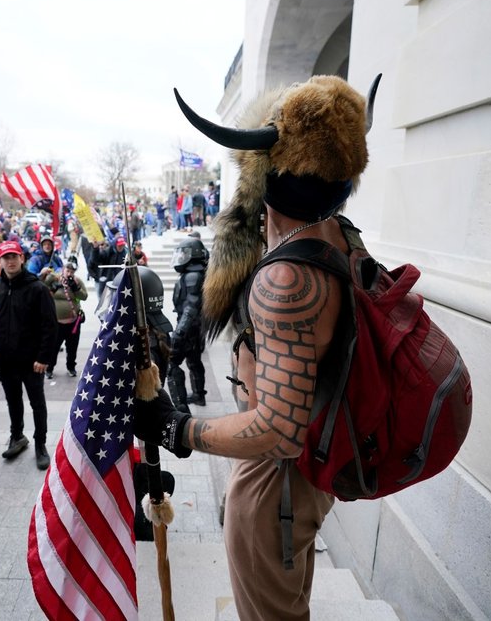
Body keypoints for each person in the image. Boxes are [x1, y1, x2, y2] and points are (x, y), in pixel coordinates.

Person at [136, 74, 376, 620]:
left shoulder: (287, 280)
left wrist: (175, 427)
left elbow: (278, 432)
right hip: (302, 477)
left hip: (276, 484)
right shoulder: (340, 233)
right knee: (286, 603)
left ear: (264, 174)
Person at [0, 240, 58, 470]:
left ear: (22, 259)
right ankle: (17, 436)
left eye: (14, 256)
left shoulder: (36, 288)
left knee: (37, 403)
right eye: (5, 258)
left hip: (32, 361)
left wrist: (44, 358)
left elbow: (49, 325)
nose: (10, 261)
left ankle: (40, 444)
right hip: (6, 360)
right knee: (13, 401)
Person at [168, 236, 209, 407]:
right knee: (194, 361)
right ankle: (199, 396)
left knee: (172, 364)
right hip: (195, 328)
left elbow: (191, 307)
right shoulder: (196, 273)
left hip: (189, 328)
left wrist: (180, 332)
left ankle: (182, 409)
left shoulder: (192, 276)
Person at [41, 256, 88, 379]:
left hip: (73, 322)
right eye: (67, 270)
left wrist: (75, 288)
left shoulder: (77, 281)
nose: (69, 273)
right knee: (54, 347)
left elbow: (84, 297)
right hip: (57, 322)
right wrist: (48, 280)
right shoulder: (55, 278)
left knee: (72, 347)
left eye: (72, 271)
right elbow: (41, 288)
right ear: (63, 269)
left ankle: (71, 367)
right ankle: (49, 368)